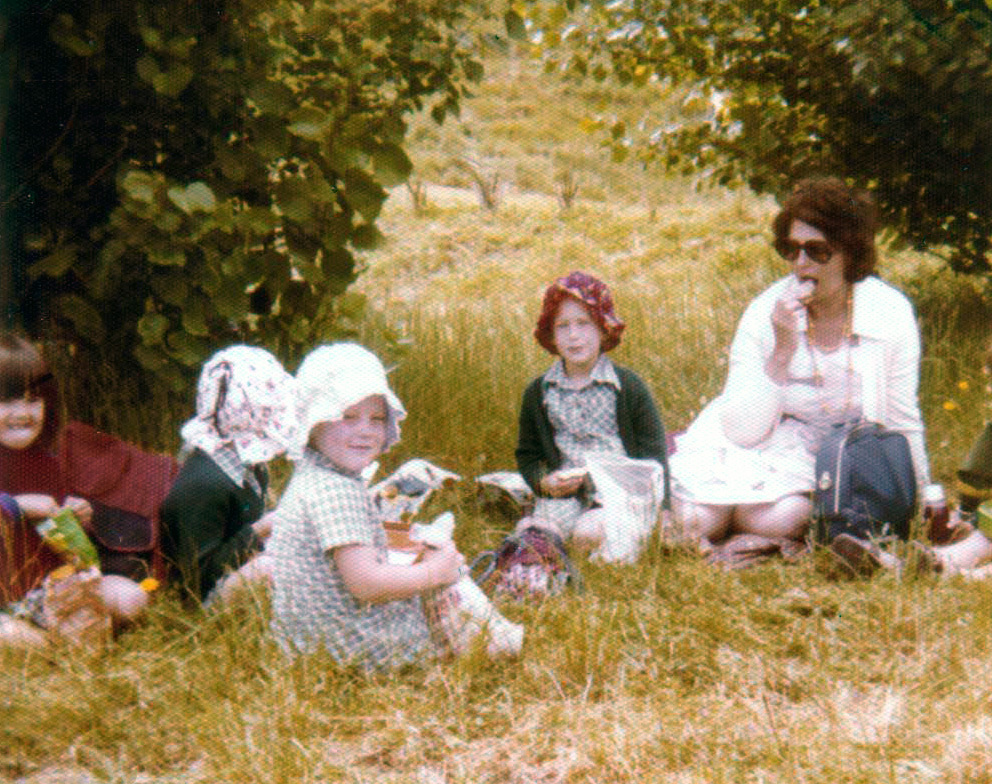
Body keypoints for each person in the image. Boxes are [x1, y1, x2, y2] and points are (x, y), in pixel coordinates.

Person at [669, 177, 930, 550]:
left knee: (784, 518)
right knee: (699, 522)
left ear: (850, 254)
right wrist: (782, 348)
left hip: (838, 454)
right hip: (763, 441)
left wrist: (919, 501)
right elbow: (742, 430)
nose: (801, 263)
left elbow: (903, 419)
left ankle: (746, 533)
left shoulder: (889, 313)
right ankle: (722, 526)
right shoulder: (765, 313)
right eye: (791, 250)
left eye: (818, 251)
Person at [266, 343, 470, 669]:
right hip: (350, 648)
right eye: (347, 416)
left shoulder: (313, 475)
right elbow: (366, 584)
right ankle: (494, 641)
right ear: (315, 421)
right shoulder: (335, 491)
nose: (365, 430)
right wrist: (434, 572)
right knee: (448, 587)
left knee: (427, 560)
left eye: (376, 418)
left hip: (307, 642)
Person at [0, 333, 147, 648]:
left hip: (50, 591)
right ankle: (53, 645)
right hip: (4, 604)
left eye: (32, 399)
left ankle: (59, 638)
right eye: (7, 400)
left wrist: (79, 521)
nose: (22, 412)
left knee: (131, 599)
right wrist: (15, 506)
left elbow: (71, 547)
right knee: (7, 635)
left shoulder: (49, 464)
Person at [515, 270, 671, 554]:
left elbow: (654, 452)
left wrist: (665, 510)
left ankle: (593, 542)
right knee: (531, 534)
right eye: (563, 326)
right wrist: (544, 482)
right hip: (564, 496)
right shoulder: (540, 392)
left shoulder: (627, 387)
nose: (574, 336)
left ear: (603, 329)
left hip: (616, 494)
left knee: (587, 534)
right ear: (551, 334)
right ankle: (537, 564)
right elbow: (528, 454)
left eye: (584, 324)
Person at [159, 345, 296, 603]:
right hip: (202, 595)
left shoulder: (248, 466)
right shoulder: (204, 483)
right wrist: (261, 529)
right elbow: (197, 577)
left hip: (241, 562)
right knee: (270, 568)